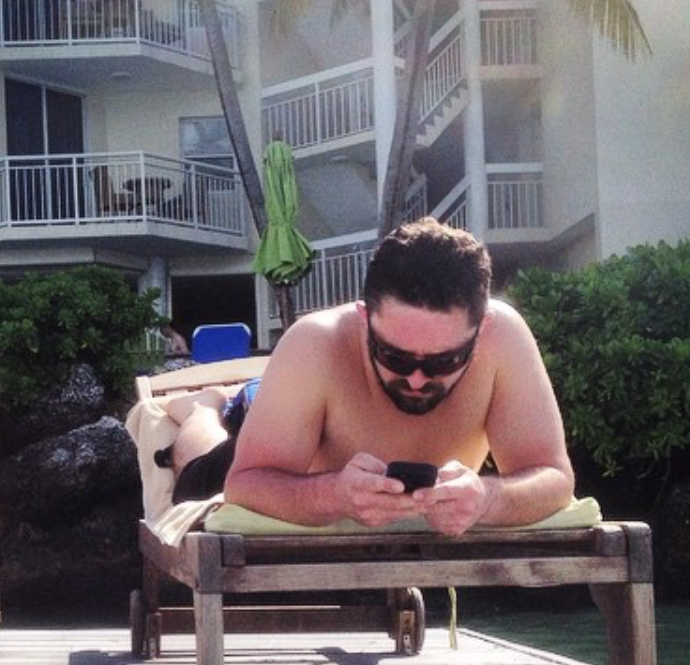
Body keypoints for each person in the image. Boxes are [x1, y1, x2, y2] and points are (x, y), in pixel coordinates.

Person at [220, 216, 574, 534]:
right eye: (395, 357)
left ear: (482, 329)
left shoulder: (505, 337)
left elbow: (555, 479)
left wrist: (488, 498)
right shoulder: (315, 343)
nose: (417, 379)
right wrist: (333, 496)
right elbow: (243, 484)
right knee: (196, 450)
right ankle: (201, 407)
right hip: (262, 431)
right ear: (364, 319)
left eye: (444, 361)